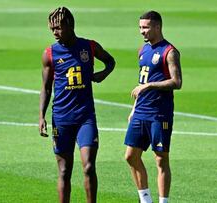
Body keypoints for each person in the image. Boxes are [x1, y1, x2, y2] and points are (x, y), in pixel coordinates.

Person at [39, 7, 115, 203]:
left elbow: (110, 61)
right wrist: (41, 117)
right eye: (52, 29)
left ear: (70, 25)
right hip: (62, 118)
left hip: (85, 117)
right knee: (64, 170)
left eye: (58, 28)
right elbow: (46, 88)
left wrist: (102, 74)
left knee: (88, 166)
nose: (55, 33)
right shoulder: (49, 54)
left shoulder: (89, 47)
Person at [124, 11, 182, 203]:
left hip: (159, 113)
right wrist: (134, 108)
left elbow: (177, 82)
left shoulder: (169, 51)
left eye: (146, 27)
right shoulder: (143, 50)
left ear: (158, 27)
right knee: (130, 156)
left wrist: (149, 86)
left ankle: (163, 201)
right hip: (141, 111)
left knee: (160, 158)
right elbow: (142, 81)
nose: (142, 31)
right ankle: (145, 200)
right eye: (140, 27)